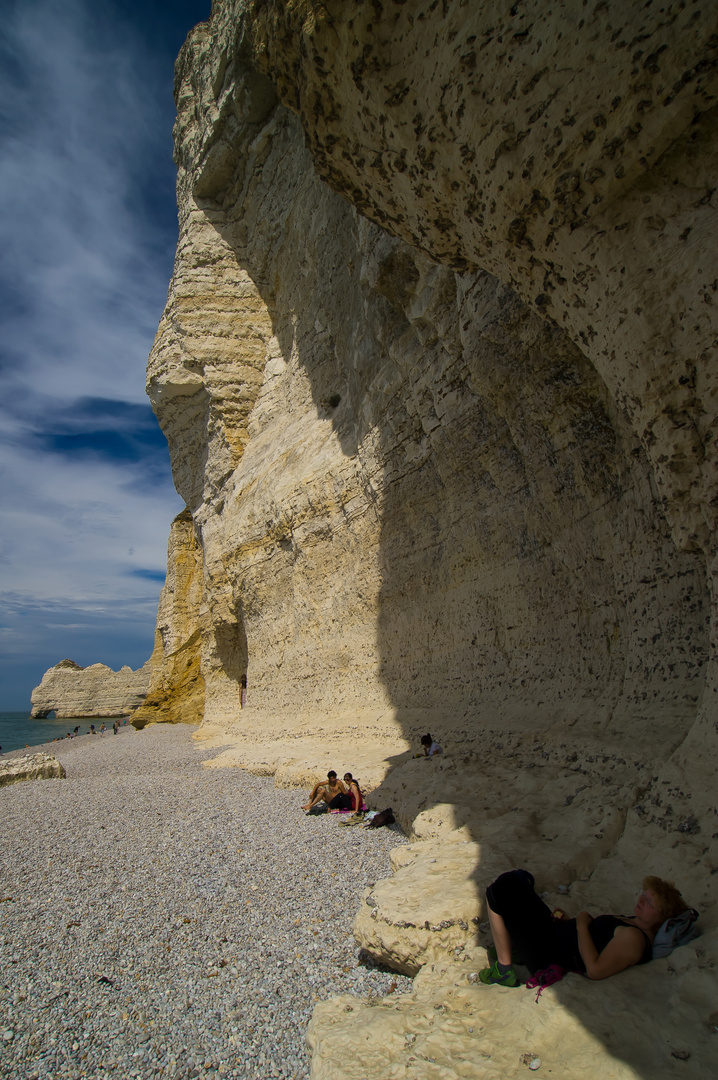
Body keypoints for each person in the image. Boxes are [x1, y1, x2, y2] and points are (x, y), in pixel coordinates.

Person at [480, 868, 689, 987]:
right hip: (558, 935)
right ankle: (512, 950)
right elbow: (599, 940)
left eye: (649, 903)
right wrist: (571, 922)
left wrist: (580, 925)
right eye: (644, 895)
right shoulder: (634, 922)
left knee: (498, 891)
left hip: (550, 953)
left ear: (661, 918)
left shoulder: (635, 939)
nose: (641, 901)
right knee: (516, 882)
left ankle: (503, 969)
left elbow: (595, 970)